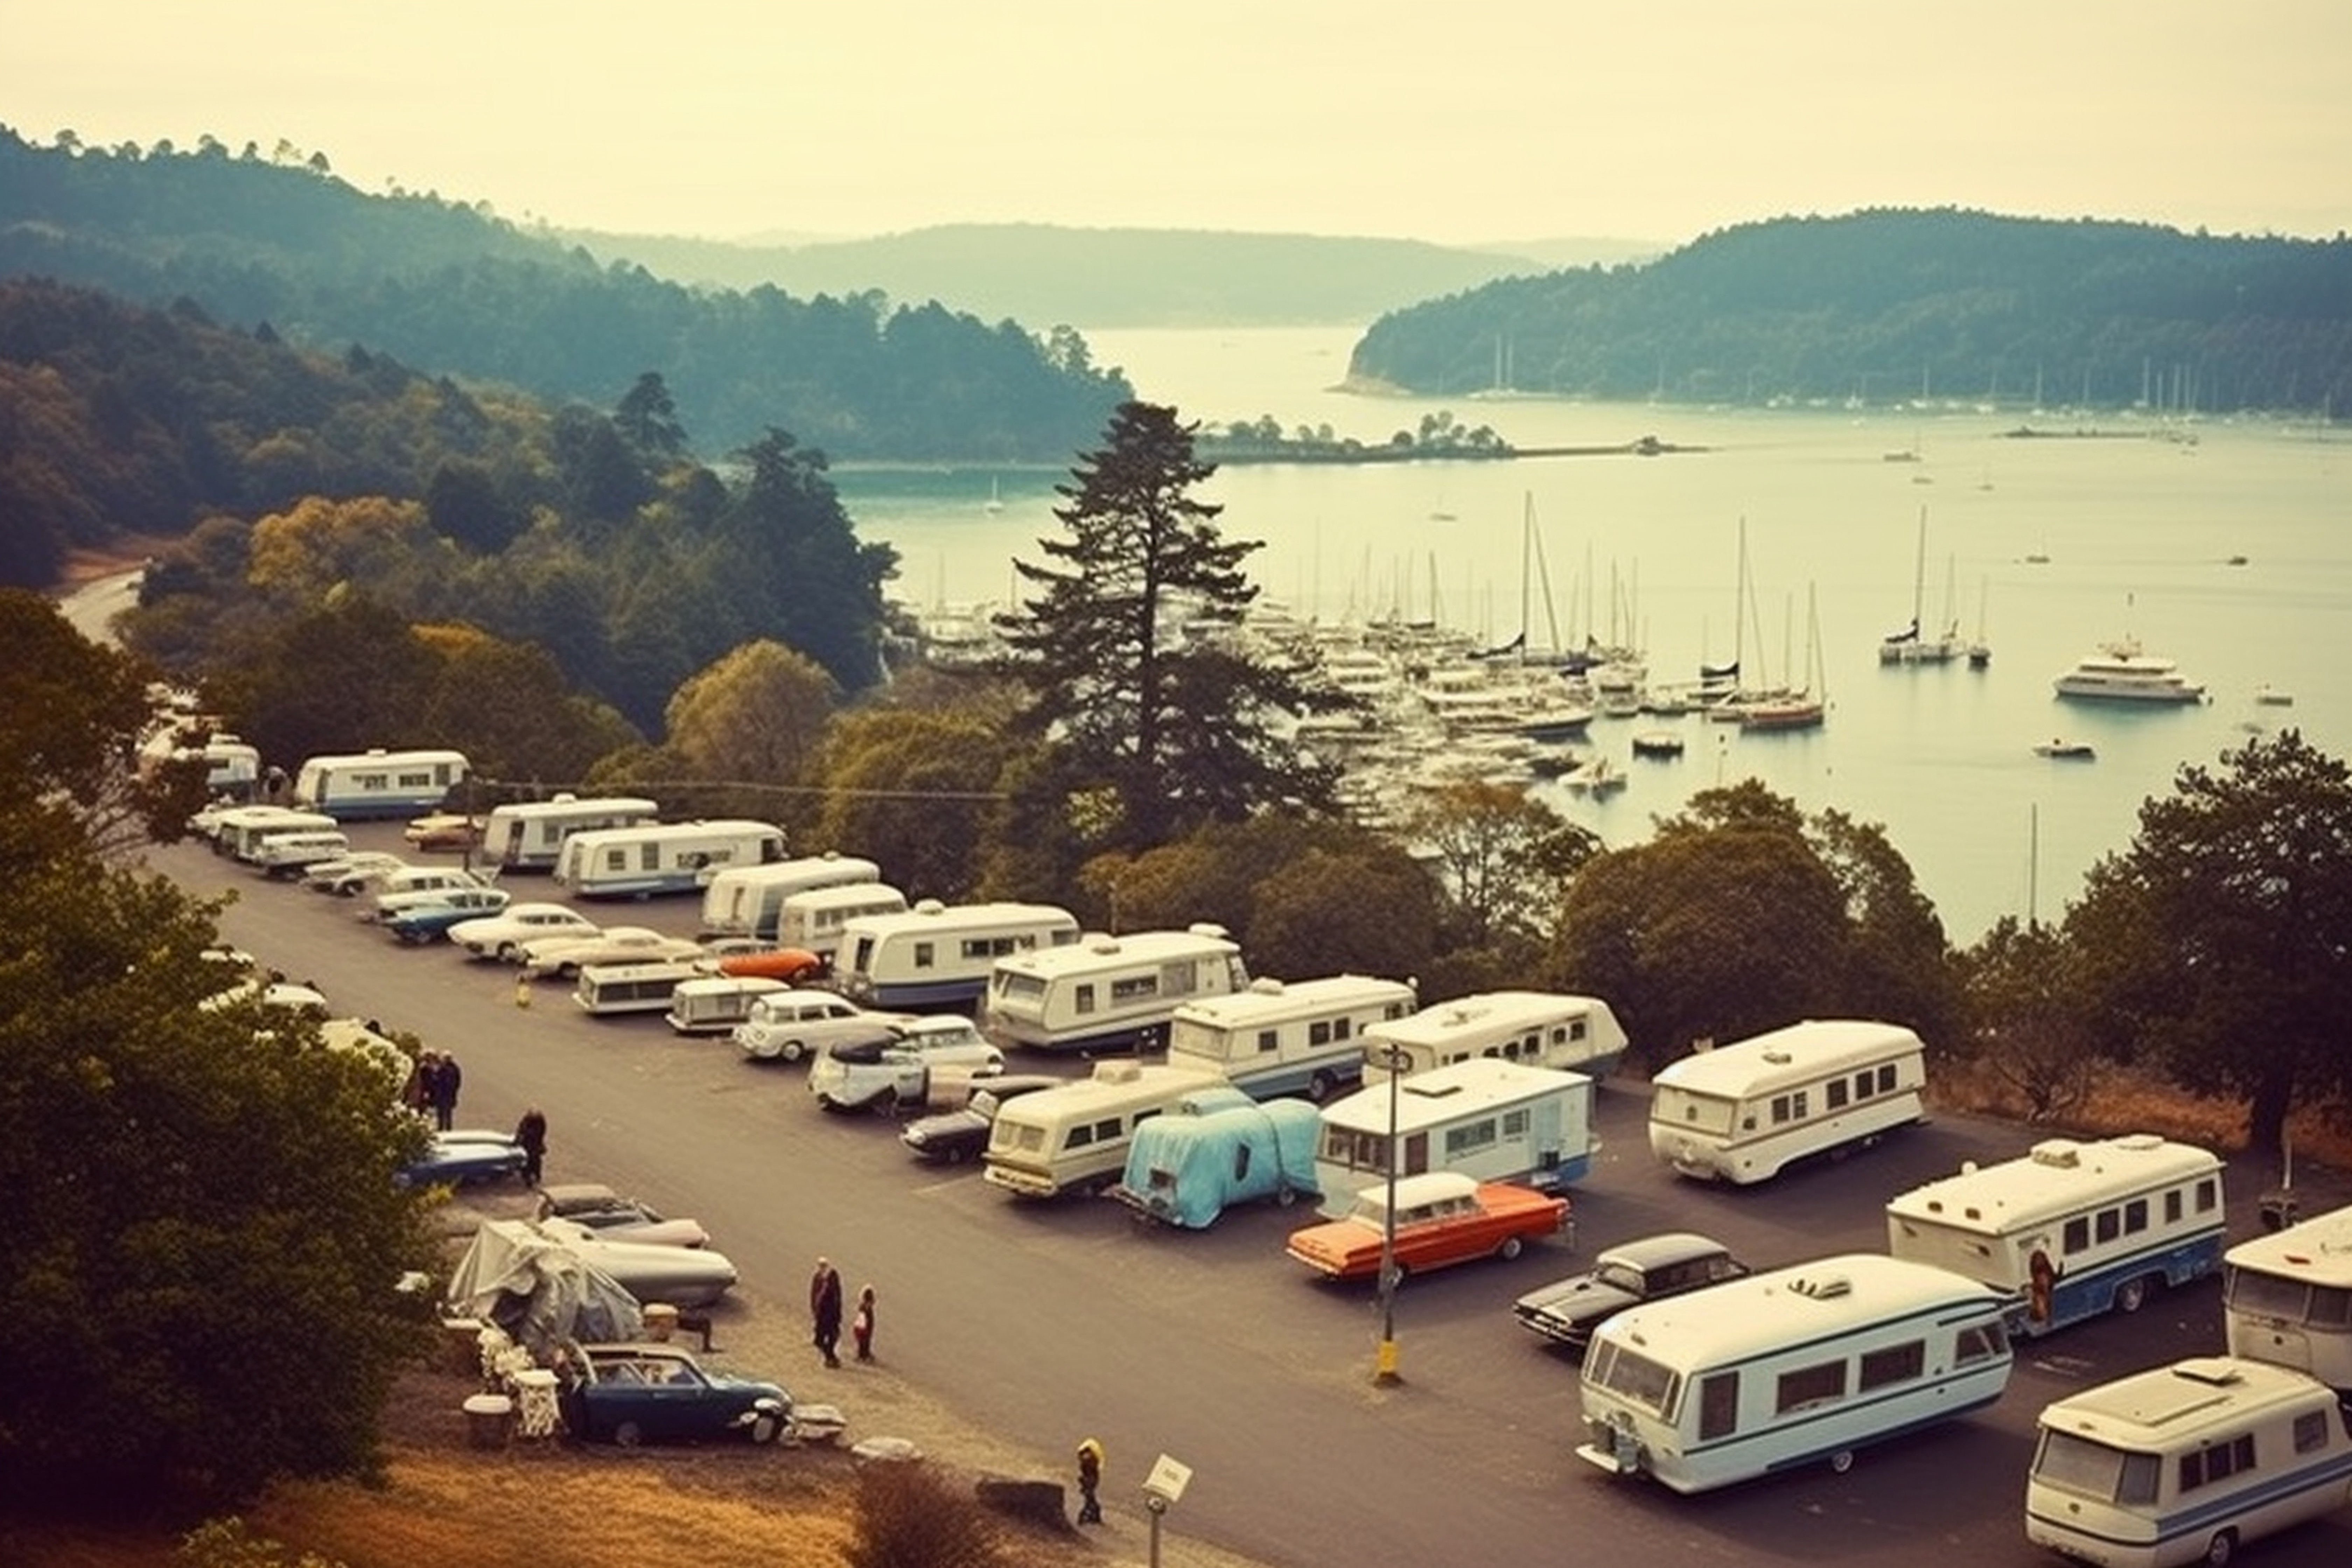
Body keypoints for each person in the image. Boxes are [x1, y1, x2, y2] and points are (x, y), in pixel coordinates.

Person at [809, 1257, 844, 1367]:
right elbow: (814, 1296)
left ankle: (830, 1357)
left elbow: (836, 1300)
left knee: (829, 1338)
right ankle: (831, 1357)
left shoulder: (829, 1283)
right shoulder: (819, 1279)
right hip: (825, 1318)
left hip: (828, 1318)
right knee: (823, 1339)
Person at [514, 1106, 548, 1187]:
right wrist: (518, 1139)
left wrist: (519, 1139)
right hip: (530, 1144)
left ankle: (532, 1177)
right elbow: (521, 1130)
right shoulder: (527, 1120)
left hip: (533, 1144)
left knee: (532, 1161)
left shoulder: (538, 1122)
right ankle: (532, 1176)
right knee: (533, 1161)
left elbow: (540, 1134)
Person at [430, 1052, 462, 1131]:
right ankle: (446, 1128)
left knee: (444, 1113)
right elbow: (458, 1082)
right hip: (447, 1095)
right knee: (446, 1114)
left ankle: (444, 1128)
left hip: (445, 1095)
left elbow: (438, 1081)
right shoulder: (454, 1069)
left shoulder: (446, 1069)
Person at [1076, 1436, 1105, 1525]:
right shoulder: (1089, 1462)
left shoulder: (1088, 1462)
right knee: (1090, 1500)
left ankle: (1091, 1515)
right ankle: (1092, 1515)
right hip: (1089, 1482)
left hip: (1089, 1482)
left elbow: (1089, 1475)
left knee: (1090, 1499)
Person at [850, 1284, 876, 1362]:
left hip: (862, 1327)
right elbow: (864, 1319)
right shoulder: (866, 1308)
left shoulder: (863, 1306)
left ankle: (863, 1354)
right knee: (865, 1341)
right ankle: (863, 1355)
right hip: (865, 1327)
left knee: (863, 1341)